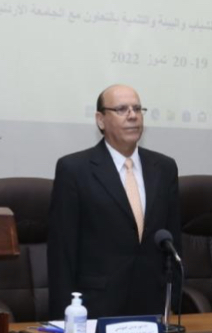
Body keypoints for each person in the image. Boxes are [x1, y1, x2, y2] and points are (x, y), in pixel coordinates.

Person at [48, 84, 181, 318]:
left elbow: (173, 242)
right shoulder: (74, 169)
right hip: (96, 306)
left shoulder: (164, 168)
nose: (132, 115)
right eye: (121, 109)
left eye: (137, 109)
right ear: (100, 120)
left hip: (152, 304)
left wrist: (174, 301)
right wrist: (63, 318)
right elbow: (62, 252)